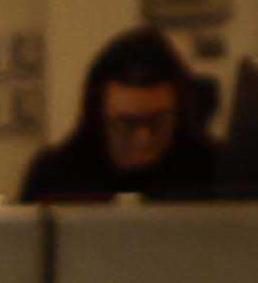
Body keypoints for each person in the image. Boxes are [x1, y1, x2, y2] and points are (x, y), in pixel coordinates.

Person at [17, 24, 219, 201]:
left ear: (179, 114)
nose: (143, 138)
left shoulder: (216, 172)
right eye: (127, 124)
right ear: (99, 118)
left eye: (157, 122)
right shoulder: (54, 178)